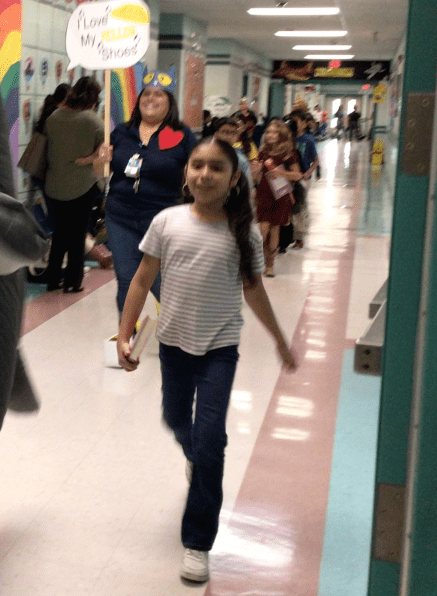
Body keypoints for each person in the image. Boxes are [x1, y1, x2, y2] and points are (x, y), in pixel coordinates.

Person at [115, 138, 298, 584]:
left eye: (216, 168)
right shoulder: (167, 222)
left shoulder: (244, 231)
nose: (204, 174)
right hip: (174, 345)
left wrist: (277, 338)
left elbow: (254, 289)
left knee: (211, 438)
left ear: (234, 178)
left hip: (219, 348)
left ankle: (197, 541)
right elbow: (141, 281)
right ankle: (196, 455)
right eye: (196, 165)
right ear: (186, 173)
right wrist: (124, 334)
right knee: (176, 418)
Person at [94, 84, 198, 314]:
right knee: (127, 280)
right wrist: (101, 158)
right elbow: (101, 171)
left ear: (169, 102)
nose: (150, 98)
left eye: (158, 94)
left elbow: (198, 168)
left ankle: (184, 333)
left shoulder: (182, 135)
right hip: (120, 216)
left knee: (161, 282)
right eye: (146, 94)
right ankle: (126, 342)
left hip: (161, 219)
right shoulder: (122, 132)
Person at [43, 76, 103, 292]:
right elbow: (103, 151)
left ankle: (52, 279)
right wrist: (87, 159)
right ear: (93, 97)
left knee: (59, 233)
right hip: (82, 185)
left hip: (54, 184)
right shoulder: (93, 121)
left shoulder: (53, 117)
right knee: (77, 235)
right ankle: (72, 282)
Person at [252, 120, 302, 276]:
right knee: (262, 230)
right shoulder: (263, 152)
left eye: (274, 132)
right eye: (268, 132)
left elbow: (298, 175)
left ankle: (270, 265)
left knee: (275, 229)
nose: (271, 135)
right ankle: (262, 259)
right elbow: (256, 178)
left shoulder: (289, 153)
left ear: (281, 134)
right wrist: (256, 170)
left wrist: (282, 173)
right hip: (264, 193)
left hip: (281, 195)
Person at [289, 111, 318, 250]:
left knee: (300, 207)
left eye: (298, 121)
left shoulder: (308, 140)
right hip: (289, 176)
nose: (295, 124)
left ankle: (299, 237)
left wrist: (308, 173)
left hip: (303, 179)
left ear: (305, 123)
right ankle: (289, 235)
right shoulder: (289, 138)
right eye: (292, 121)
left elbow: (316, 161)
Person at [211, 117, 252, 182]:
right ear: (216, 134)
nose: (229, 137)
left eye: (233, 133)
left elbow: (247, 187)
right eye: (225, 132)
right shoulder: (207, 155)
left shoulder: (241, 161)